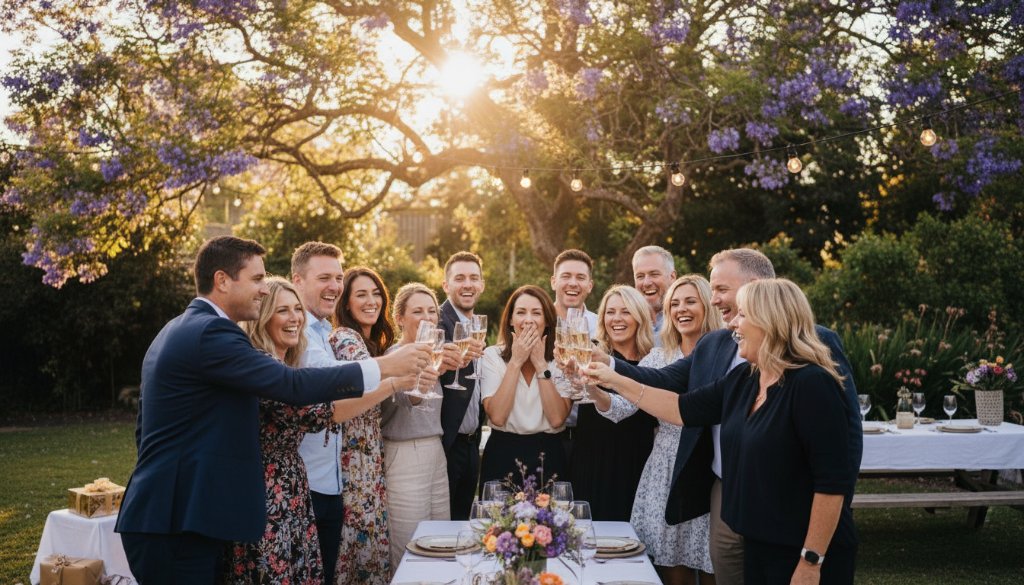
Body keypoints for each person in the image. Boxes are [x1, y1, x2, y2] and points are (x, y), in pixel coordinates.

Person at [116, 236, 429, 585]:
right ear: (222, 280)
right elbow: (292, 386)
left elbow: (146, 431)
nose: (263, 289)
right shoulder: (211, 332)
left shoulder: (181, 327)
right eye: (256, 279)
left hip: (181, 513)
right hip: (176, 520)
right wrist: (384, 367)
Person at [594, 249, 861, 585]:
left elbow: (835, 473)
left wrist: (811, 558)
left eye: (741, 313)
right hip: (750, 523)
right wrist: (611, 375)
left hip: (796, 528)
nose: (731, 322)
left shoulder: (812, 382)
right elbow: (681, 408)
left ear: (767, 313)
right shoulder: (744, 378)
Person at [225, 278, 400, 585]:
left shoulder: (286, 365)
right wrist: (394, 379)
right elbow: (323, 413)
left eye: (297, 310)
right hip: (267, 496)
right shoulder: (261, 365)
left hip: (293, 489)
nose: (294, 318)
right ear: (263, 317)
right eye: (283, 311)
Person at [598, 275, 723, 585]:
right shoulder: (658, 356)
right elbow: (621, 408)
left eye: (690, 301)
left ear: (707, 305)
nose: (681, 309)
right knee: (671, 568)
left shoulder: (725, 353)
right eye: (674, 304)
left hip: (709, 465)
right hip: (665, 469)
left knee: (715, 567)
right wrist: (592, 388)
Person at [382, 283, 463, 568]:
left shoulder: (433, 354)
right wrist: (434, 370)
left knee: (440, 541)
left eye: (432, 310)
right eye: (418, 311)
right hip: (403, 456)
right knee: (409, 547)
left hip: (434, 452)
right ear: (400, 318)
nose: (428, 316)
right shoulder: (394, 355)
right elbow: (408, 401)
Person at [329, 266, 399, 585]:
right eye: (361, 294)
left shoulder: (373, 344)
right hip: (354, 459)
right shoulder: (346, 338)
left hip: (368, 457)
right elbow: (367, 390)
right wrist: (403, 378)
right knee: (359, 549)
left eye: (376, 293)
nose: (371, 300)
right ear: (345, 303)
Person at [569, 285, 658, 521]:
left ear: (639, 316)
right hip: (591, 461)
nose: (616, 319)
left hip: (635, 464)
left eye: (626, 311)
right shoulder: (588, 355)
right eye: (610, 312)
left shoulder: (654, 361)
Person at [291, 241, 348, 584]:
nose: (335, 286)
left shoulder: (323, 331)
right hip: (305, 484)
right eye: (324, 277)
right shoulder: (297, 333)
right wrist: (393, 375)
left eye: (338, 277)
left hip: (330, 481)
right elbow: (330, 392)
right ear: (298, 280)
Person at [479, 285, 572, 487]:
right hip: (502, 452)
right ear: (511, 320)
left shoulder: (562, 359)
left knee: (550, 518)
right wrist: (516, 361)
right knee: (497, 518)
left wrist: (540, 364)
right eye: (521, 312)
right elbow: (497, 416)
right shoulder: (492, 356)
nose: (528, 319)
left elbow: (557, 419)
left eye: (536, 313)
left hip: (549, 453)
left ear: (547, 320)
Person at [437, 252, 488, 519]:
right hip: (447, 441)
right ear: (446, 285)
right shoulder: (437, 321)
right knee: (445, 524)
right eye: (459, 278)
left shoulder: (476, 325)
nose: (467, 284)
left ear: (481, 284)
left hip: (472, 441)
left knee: (463, 518)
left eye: (473, 278)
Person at [632, 245, 677, 338]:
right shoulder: (627, 321)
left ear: (672, 277)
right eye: (640, 276)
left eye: (654, 274)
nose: (646, 283)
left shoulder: (685, 318)